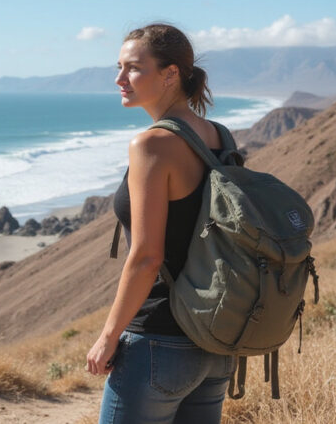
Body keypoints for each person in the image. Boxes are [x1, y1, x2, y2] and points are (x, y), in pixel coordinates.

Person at [85, 24, 235, 424]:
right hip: (213, 341)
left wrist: (107, 336)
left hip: (157, 341)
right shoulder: (219, 136)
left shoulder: (151, 144)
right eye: (118, 67)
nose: (119, 79)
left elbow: (147, 257)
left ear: (170, 74)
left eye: (132, 68)